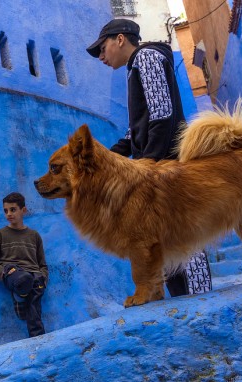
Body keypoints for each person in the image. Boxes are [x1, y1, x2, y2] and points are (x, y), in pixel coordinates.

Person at [87, 18, 212, 297]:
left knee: (183, 236)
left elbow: (163, 114)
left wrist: (149, 165)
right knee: (163, 238)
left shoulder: (147, 57)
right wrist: (104, 158)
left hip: (168, 169)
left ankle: (201, 300)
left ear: (120, 39)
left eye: (102, 48)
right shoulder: (134, 69)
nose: (101, 56)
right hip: (157, 170)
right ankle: (184, 303)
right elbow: (136, 133)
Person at [0, 192, 49, 337]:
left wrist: (44, 278)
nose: (8, 214)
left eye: (13, 209)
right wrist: (3, 272)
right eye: (5, 210)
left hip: (34, 276)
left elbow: (42, 264)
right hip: (13, 273)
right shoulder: (0, 235)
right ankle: (21, 293)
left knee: (35, 308)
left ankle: (39, 341)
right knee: (24, 279)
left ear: (23, 210)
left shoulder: (34, 236)